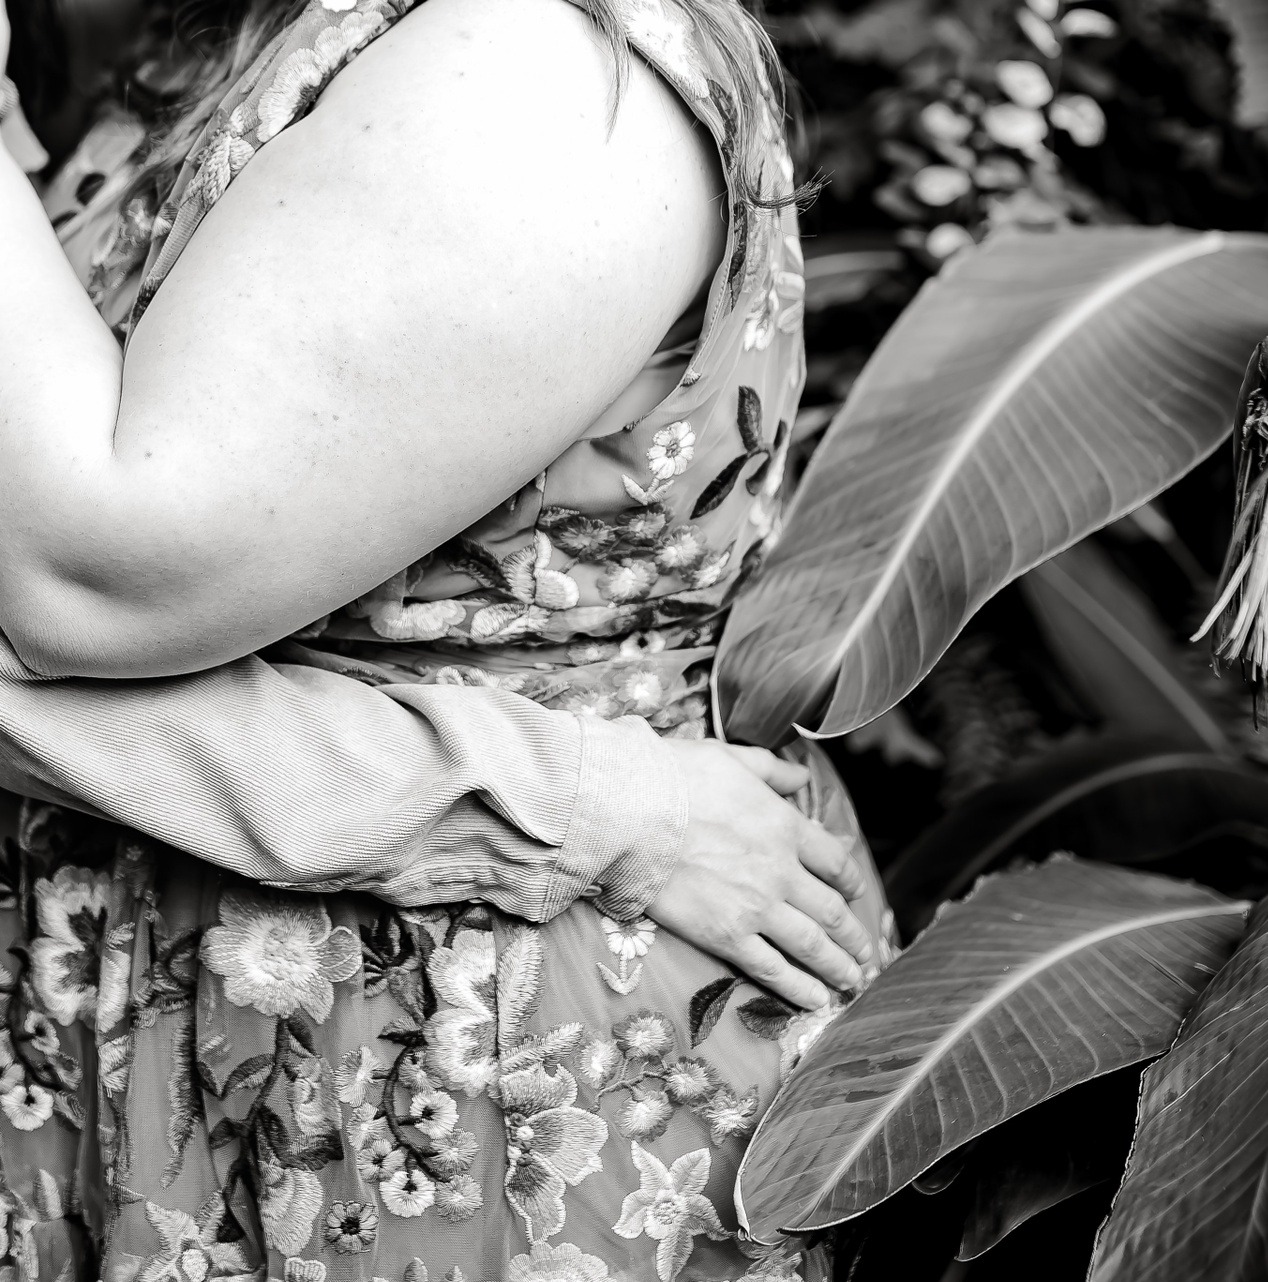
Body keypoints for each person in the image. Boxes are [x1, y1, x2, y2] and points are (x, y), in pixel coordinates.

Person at [0, 0, 889, 1277]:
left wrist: (546, 809)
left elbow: (87, 582)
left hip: (444, 1060)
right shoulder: (231, 24)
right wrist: (553, 795)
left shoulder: (533, 71)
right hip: (145, 984)